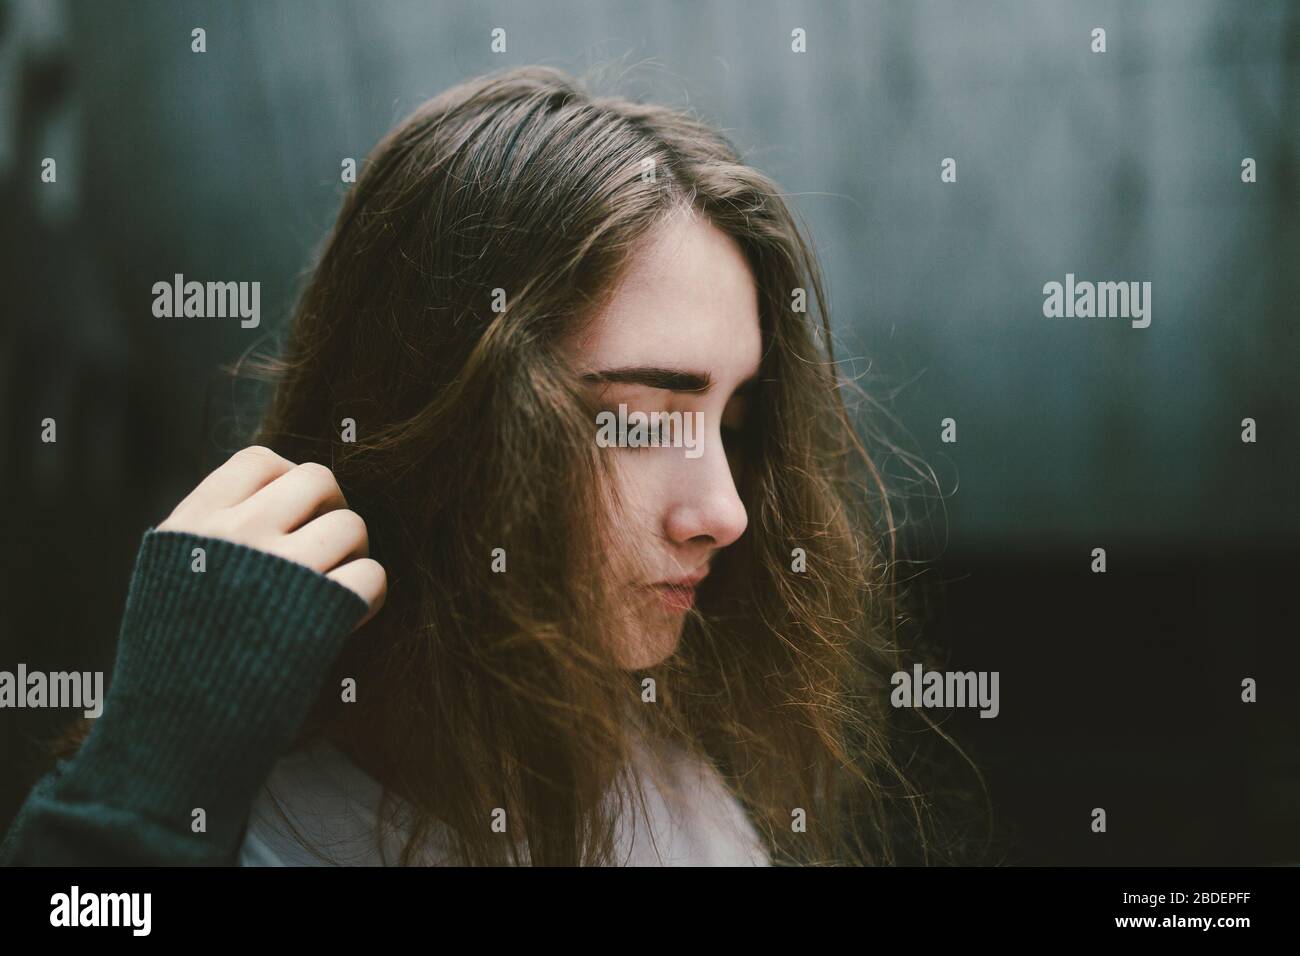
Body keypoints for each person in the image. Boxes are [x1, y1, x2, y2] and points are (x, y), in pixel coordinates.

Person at [2, 64, 977, 867]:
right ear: (443, 416)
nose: (725, 510)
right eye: (640, 420)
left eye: (734, 420)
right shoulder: (241, 834)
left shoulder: (672, 780)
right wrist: (128, 794)